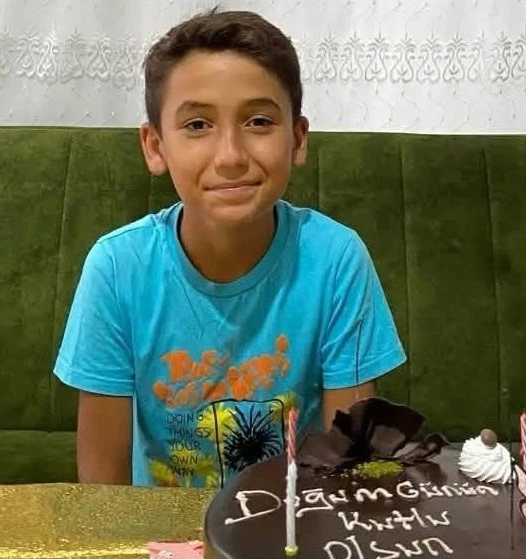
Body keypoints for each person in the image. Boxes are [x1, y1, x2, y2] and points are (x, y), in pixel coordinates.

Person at [54, 9, 406, 488]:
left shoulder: (337, 260)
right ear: (155, 146)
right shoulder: (117, 267)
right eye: (197, 125)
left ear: (297, 139)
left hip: (293, 524)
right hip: (160, 531)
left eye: (258, 121)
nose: (231, 157)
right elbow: (102, 490)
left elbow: (349, 473)